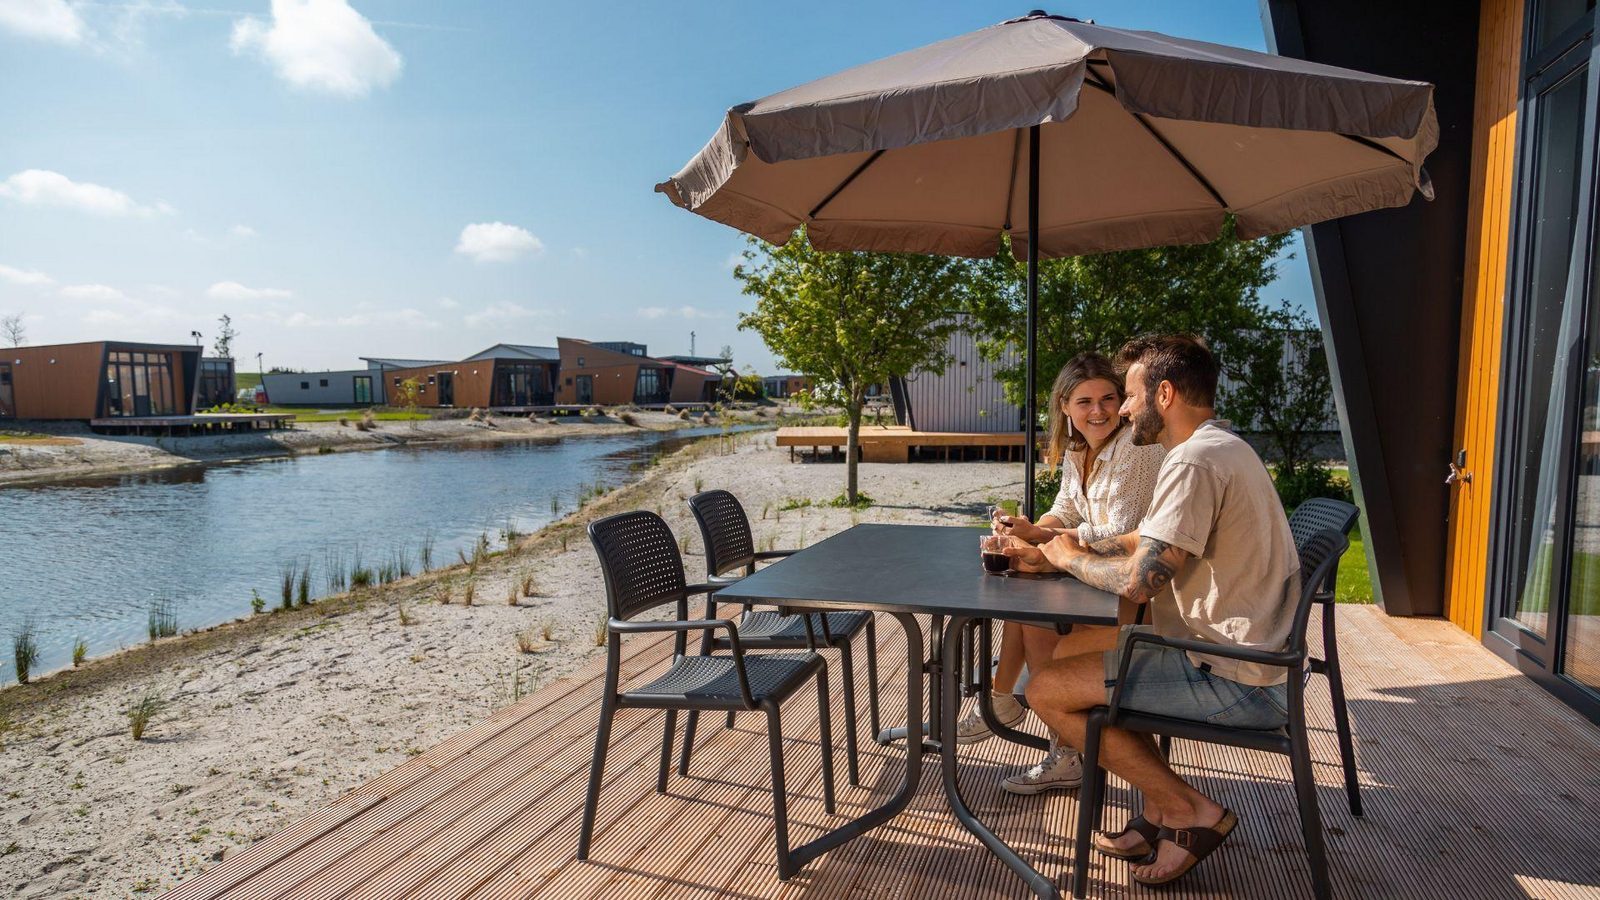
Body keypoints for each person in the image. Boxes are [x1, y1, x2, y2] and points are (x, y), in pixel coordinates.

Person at [1004, 334, 1300, 888]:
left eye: (1132, 394)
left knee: (1046, 690)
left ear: (1164, 393)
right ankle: (1162, 810)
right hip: (1237, 653)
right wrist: (1068, 547)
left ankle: (1189, 810)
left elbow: (1141, 585)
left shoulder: (1193, 461)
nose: (1125, 407)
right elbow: (1147, 536)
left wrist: (1067, 560)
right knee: (1071, 657)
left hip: (1233, 674)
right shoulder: (1217, 447)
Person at [956, 352, 1165, 796]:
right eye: (1085, 401)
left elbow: (1123, 531)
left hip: (1136, 594)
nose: (1099, 410)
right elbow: (1066, 509)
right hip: (1099, 578)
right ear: (1065, 407)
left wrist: (1049, 541)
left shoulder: (1135, 448)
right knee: (1030, 605)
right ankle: (1030, 722)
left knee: (1037, 623)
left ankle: (1013, 708)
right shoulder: (1078, 451)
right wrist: (1033, 529)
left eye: (1109, 398)